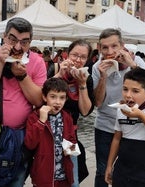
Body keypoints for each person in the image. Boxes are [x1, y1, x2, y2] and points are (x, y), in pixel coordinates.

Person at [0, 17, 47, 187]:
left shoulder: (36, 61)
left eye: (24, 42)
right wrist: (0, 62)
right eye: (12, 39)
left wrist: (22, 76)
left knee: (16, 179)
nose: (17, 47)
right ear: (4, 36)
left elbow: (39, 100)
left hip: (20, 134)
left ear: (30, 42)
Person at [92, 28, 145, 187]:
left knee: (131, 171)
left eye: (114, 46)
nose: (110, 51)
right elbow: (98, 103)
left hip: (132, 125)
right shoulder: (97, 67)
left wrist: (132, 64)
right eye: (105, 48)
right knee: (103, 170)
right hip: (105, 125)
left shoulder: (136, 61)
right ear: (99, 48)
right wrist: (103, 77)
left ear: (122, 45)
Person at [105, 67, 145, 187]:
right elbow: (117, 138)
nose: (128, 95)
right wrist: (109, 165)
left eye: (135, 91)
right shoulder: (121, 109)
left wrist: (141, 115)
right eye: (125, 89)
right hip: (122, 171)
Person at [54, 39, 95, 187]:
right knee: (47, 175)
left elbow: (85, 111)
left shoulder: (86, 79)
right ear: (67, 54)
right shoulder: (54, 69)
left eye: (83, 57)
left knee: (72, 177)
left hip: (70, 136)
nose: (78, 60)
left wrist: (82, 84)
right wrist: (59, 74)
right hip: (49, 132)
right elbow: (41, 97)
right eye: (74, 55)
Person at [24, 77, 77, 187]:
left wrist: (70, 149)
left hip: (64, 175)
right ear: (44, 97)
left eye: (62, 98)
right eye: (53, 97)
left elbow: (72, 140)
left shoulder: (67, 117)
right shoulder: (34, 117)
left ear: (66, 99)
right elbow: (30, 144)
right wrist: (41, 121)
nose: (57, 102)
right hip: (43, 176)